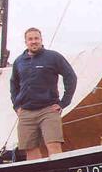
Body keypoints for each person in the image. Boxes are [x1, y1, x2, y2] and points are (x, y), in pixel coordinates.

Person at [10, 27, 77, 160]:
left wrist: (63, 103)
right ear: (26, 42)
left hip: (49, 110)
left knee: (53, 145)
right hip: (26, 113)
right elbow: (14, 84)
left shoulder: (53, 57)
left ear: (41, 40)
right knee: (30, 149)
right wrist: (16, 106)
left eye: (36, 38)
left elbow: (71, 77)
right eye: (30, 39)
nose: (34, 41)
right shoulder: (19, 61)